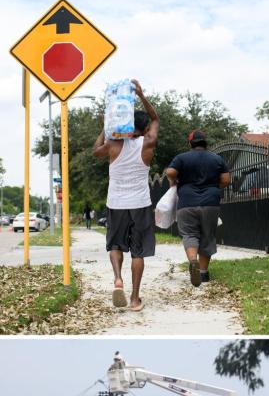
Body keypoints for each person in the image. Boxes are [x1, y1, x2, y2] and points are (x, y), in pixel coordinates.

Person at [92, 79, 159, 312]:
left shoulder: (112, 144)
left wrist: (106, 127)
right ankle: (134, 298)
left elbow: (95, 151)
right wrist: (141, 95)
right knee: (138, 251)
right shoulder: (148, 143)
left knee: (115, 245)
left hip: (116, 203)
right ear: (144, 128)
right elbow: (155, 119)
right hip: (140, 204)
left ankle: (118, 279)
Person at [164, 130, 231, 286]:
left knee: (189, 234)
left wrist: (173, 181)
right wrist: (214, 187)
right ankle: (203, 273)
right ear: (205, 142)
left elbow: (171, 172)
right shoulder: (216, 158)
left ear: (190, 143)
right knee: (207, 236)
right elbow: (226, 179)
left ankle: (193, 261)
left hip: (187, 202)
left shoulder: (182, 158)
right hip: (210, 203)